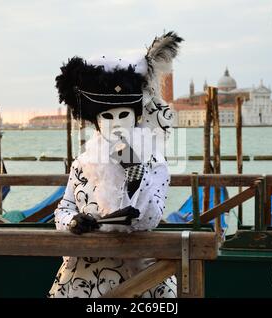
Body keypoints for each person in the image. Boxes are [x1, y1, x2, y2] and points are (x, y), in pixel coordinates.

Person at [48, 31, 183, 298]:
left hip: (142, 278)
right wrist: (74, 222)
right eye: (107, 117)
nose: (117, 122)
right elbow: (63, 208)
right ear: (96, 122)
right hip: (83, 279)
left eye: (124, 115)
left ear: (136, 116)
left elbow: (150, 218)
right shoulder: (82, 162)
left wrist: (134, 172)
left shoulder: (154, 160)